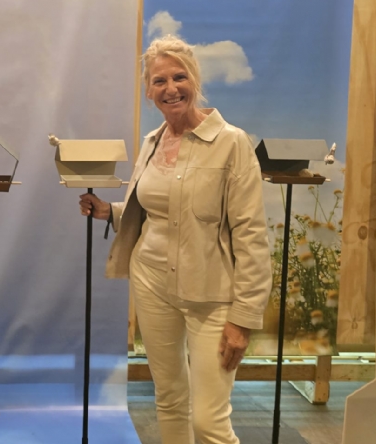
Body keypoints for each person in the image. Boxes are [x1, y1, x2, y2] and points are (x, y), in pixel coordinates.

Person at [80, 35, 271, 444]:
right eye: (159, 81)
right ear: (149, 91)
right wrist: (109, 211)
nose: (170, 88)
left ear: (195, 80)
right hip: (151, 284)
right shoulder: (152, 142)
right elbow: (156, 210)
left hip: (211, 297)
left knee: (208, 422)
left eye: (179, 77)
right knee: (168, 400)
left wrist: (243, 318)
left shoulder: (232, 143)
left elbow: (252, 235)